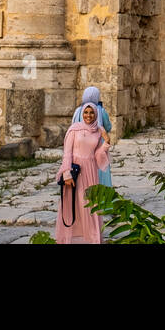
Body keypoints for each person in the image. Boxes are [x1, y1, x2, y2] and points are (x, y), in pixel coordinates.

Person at [54, 102, 110, 244]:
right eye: (86, 112)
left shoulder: (97, 131)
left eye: (91, 113)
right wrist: (66, 174)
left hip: (90, 171)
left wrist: (106, 141)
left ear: (95, 114)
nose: (88, 116)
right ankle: (71, 237)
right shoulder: (74, 130)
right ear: (81, 114)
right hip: (75, 171)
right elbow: (67, 154)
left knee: (90, 203)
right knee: (75, 203)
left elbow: (97, 156)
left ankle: (92, 237)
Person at [71, 85, 113, 188]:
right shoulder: (100, 111)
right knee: (101, 171)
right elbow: (108, 127)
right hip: (98, 145)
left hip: (82, 147)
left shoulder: (79, 111)